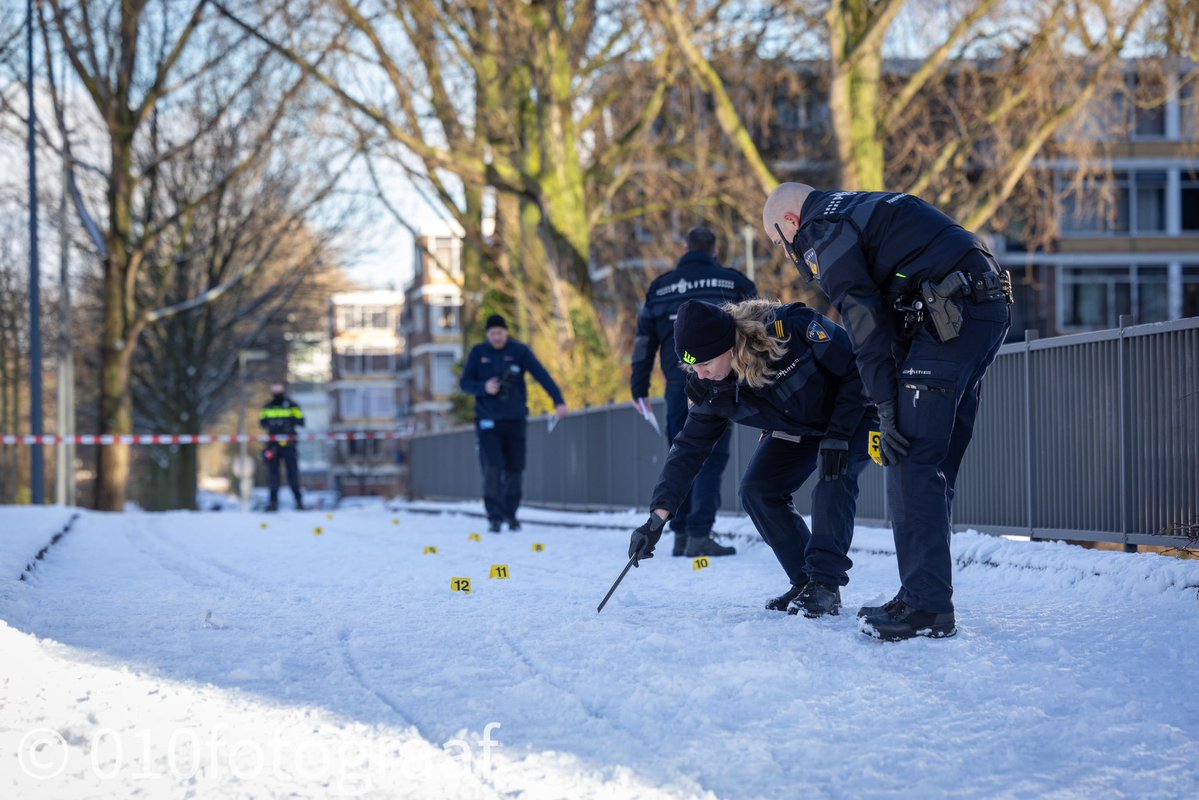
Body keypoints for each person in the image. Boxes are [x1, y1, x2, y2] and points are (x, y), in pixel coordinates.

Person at [762, 183, 1012, 640]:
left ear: (791, 222)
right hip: (979, 308)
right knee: (932, 471)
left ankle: (927, 608)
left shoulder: (823, 229)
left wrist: (885, 406)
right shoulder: (862, 204)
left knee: (910, 460)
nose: (786, 252)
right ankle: (920, 591)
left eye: (780, 241)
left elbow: (863, 321)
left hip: (950, 318)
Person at [626, 298, 875, 617]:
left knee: (834, 478)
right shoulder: (712, 388)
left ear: (727, 346)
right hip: (798, 427)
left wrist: (839, 435)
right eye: (694, 367)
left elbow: (858, 367)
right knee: (757, 489)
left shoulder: (789, 329)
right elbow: (688, 450)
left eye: (705, 364)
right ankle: (806, 581)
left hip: (856, 412)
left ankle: (825, 584)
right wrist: (655, 521)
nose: (700, 375)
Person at [631, 227, 758, 558]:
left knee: (682, 452)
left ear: (685, 248)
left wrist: (638, 386)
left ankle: (680, 534)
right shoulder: (734, 281)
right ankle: (700, 533)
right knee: (711, 455)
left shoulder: (660, 287)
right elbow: (757, 323)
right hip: (723, 379)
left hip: (678, 383)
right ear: (714, 250)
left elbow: (644, 340)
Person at [460, 314, 568, 533]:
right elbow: (464, 383)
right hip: (488, 421)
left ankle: (511, 514)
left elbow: (541, 375)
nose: (497, 337)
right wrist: (484, 387)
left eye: (500, 332)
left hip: (515, 419)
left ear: (506, 332)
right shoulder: (478, 353)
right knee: (492, 467)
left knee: (515, 469)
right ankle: (494, 516)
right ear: (487, 335)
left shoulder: (519, 351)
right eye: (493, 333)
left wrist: (558, 400)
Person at [259, 381, 305, 511]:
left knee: (293, 474)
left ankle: (298, 502)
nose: (277, 390)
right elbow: (262, 423)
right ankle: (273, 503)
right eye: (275, 388)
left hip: (289, 445)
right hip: (273, 446)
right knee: (273, 475)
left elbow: (301, 421)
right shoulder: (267, 407)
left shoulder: (292, 405)